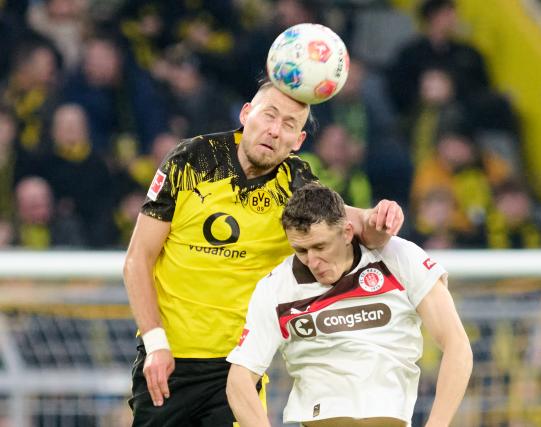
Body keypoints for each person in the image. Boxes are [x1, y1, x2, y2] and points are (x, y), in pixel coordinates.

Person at [123, 81, 404, 426]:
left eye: (289, 125)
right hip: (168, 361)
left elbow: (353, 224)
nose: (274, 130)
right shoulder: (191, 160)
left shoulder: (295, 181)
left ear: (298, 141)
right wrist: (155, 344)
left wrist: (382, 217)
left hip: (239, 369)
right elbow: (138, 257)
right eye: (269, 116)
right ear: (246, 114)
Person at [226, 182, 472, 427]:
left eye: (320, 246)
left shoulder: (398, 258)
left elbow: (457, 344)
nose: (312, 261)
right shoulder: (276, 287)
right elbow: (239, 380)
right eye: (300, 250)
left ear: (346, 232)